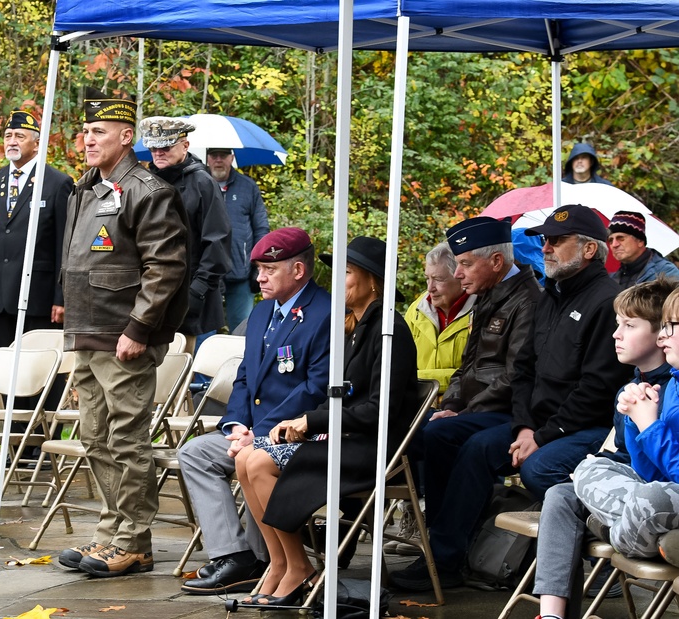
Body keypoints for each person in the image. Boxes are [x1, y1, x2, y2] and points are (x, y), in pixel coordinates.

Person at [393, 205, 630, 591]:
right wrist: (523, 425)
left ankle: (448, 559)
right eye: (545, 240)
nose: (546, 248)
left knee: (479, 449)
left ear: (589, 250)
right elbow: (524, 372)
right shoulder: (553, 295)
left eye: (556, 240)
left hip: (580, 427)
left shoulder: (605, 301)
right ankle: (441, 550)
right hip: (529, 421)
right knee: (436, 435)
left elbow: (597, 390)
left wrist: (540, 434)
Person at [234, 236, 420, 608]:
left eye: (347, 273)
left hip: (371, 447)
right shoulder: (354, 325)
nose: (339, 282)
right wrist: (303, 420)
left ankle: (298, 566)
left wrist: (311, 421)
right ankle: (281, 563)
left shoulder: (389, 330)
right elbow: (339, 395)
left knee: (259, 463)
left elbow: (377, 411)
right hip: (343, 436)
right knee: (246, 458)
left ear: (373, 280)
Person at [56, 87, 189, 578]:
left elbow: (166, 266)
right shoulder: (86, 187)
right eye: (86, 132)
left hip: (124, 337)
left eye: (99, 132)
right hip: (88, 334)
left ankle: (132, 539)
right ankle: (114, 533)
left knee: (127, 438)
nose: (88, 140)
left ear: (126, 136)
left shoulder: (148, 190)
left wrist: (139, 327)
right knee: (94, 435)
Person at [178, 227, 332, 596]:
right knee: (194, 453)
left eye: (269, 269)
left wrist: (259, 433)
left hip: (296, 433)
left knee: (253, 457)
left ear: (297, 270)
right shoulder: (262, 313)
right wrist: (236, 425)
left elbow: (314, 388)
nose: (259, 277)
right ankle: (235, 556)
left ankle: (267, 560)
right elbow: (244, 377)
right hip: (253, 428)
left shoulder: (325, 313)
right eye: (259, 269)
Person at [533, 277, 677, 619]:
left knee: (628, 490)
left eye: (629, 325)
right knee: (562, 491)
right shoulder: (635, 387)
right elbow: (630, 457)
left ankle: (607, 527)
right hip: (638, 487)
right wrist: (631, 421)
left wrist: (647, 423)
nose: (616, 334)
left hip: (653, 494)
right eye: (618, 324)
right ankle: (552, 614)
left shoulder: (670, 387)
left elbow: (659, 473)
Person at [0, 109, 72, 347]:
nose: (12, 141)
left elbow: (64, 245)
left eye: (19, 136)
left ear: (36, 144)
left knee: (42, 375)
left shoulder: (57, 183)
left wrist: (62, 297)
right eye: (7, 136)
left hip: (40, 298)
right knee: (4, 372)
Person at [142, 116, 231, 351]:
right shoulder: (144, 183)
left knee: (180, 374)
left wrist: (197, 291)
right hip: (148, 297)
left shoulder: (203, 183)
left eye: (166, 147)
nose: (158, 152)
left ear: (185, 145)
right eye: (153, 147)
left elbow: (218, 242)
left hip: (189, 299)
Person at [206, 147, 269, 331]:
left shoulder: (248, 187)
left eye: (223, 155)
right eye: (214, 155)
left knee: (242, 330)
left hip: (241, 273)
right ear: (207, 158)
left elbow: (261, 228)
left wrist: (259, 266)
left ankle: (241, 361)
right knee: (204, 334)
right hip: (206, 273)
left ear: (232, 157)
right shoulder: (198, 184)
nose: (218, 159)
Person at [403, 241, 475, 395]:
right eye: (427, 278)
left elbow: (474, 374)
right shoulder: (416, 310)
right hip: (417, 405)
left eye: (438, 279)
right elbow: (398, 366)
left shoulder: (481, 311)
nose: (430, 288)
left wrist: (420, 379)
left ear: (460, 277)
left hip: (460, 405)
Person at [607, 211, 679, 288]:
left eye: (621, 238)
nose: (614, 245)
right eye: (610, 240)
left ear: (640, 241)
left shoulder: (666, 273)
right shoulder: (611, 279)